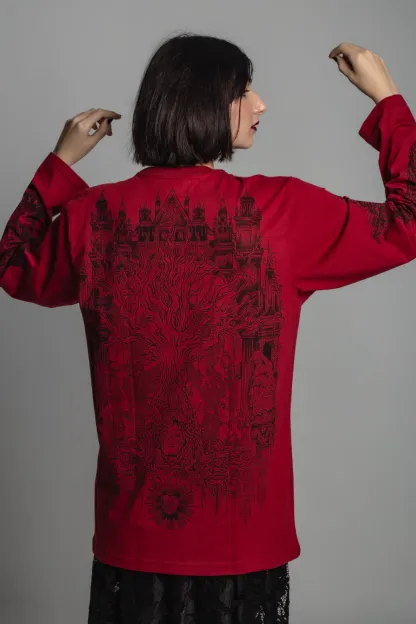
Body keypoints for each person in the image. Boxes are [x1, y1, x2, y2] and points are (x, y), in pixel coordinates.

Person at [0, 32, 414, 624]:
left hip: (133, 541)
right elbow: (408, 222)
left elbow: (13, 265)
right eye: (244, 91)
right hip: (240, 542)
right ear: (203, 102)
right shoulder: (280, 213)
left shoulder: (95, 218)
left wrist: (59, 165)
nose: (261, 103)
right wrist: (388, 101)